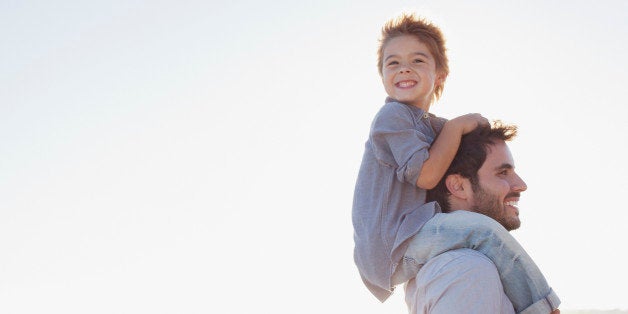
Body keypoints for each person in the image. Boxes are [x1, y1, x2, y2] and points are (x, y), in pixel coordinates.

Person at [351, 12, 560, 313]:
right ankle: (544, 308)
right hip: (394, 244)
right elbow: (425, 175)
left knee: (482, 234)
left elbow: (466, 138)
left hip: (410, 239)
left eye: (418, 60)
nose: (403, 69)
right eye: (392, 62)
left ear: (440, 75)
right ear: (382, 75)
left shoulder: (428, 125)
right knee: (484, 232)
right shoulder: (391, 117)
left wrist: (467, 127)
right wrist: (456, 126)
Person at [402, 123, 560, 313]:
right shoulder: (466, 269)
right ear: (459, 186)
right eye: (503, 172)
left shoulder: (465, 268)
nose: (521, 185)